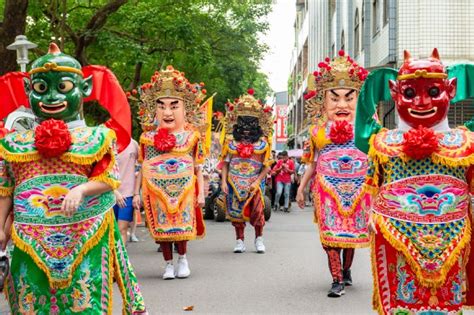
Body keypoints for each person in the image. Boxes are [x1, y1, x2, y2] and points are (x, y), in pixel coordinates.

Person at [0, 43, 146, 313]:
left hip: (84, 233)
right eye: (42, 88)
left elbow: (108, 179)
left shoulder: (98, 138)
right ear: (27, 92)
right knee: (31, 301)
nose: (53, 97)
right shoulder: (14, 144)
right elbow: (6, 188)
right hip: (29, 239)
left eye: (64, 87)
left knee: (84, 301)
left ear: (86, 89)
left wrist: (81, 190)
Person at [354, 49, 474, 314]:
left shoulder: (465, 143)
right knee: (402, 303)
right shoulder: (384, 142)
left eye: (433, 92)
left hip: (451, 237)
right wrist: (374, 83)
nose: (421, 102)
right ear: (395, 93)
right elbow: (372, 183)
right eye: (409, 93)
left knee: (446, 301)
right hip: (396, 235)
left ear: (451, 90)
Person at [296, 50, 370, 298]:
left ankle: (346, 270)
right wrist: (300, 188)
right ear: (323, 102)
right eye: (334, 98)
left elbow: (378, 160)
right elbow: (312, 163)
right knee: (330, 237)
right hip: (326, 189)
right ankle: (336, 280)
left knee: (350, 235)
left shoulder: (367, 127)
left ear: (359, 100)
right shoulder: (317, 131)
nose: (341, 105)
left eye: (349, 98)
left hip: (359, 189)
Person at [133, 66, 208, 280]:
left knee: (181, 224)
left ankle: (183, 259)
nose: (167, 113)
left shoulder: (192, 137)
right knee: (162, 226)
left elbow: (198, 167)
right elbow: (142, 165)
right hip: (155, 189)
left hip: (184, 189)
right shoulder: (147, 138)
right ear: (153, 110)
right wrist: (137, 193)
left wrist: (201, 193)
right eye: (162, 106)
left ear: (185, 109)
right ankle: (167, 264)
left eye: (174, 106)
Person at [220, 89, 273, 254]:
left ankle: (259, 239)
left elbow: (267, 166)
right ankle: (239, 240)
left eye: (251, 124)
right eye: (244, 124)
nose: (247, 129)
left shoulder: (263, 143)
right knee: (236, 213)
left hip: (254, 183)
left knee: (258, 211)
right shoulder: (230, 143)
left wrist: (258, 181)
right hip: (234, 181)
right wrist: (223, 182)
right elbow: (225, 163)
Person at [114, 139, 139, 245]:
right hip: (108, 192)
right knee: (111, 230)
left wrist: (136, 193)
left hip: (128, 193)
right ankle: (111, 259)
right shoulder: (106, 141)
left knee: (122, 229)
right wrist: (114, 191)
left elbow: (142, 166)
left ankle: (121, 259)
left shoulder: (133, 144)